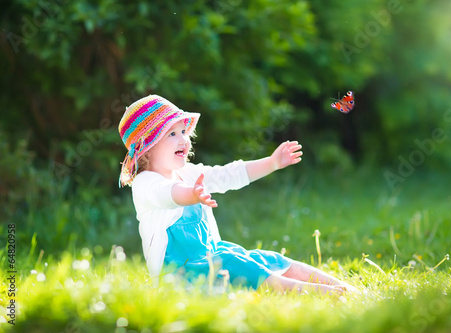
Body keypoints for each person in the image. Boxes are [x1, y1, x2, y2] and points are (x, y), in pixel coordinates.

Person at [118, 94, 357, 295]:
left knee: (265, 258)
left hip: (211, 257)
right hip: (179, 277)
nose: (184, 140)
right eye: (171, 134)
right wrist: (192, 194)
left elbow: (229, 174)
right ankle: (319, 294)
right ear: (146, 147)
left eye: (183, 132)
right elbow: (167, 194)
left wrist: (272, 163)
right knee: (234, 263)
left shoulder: (189, 174)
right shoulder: (145, 183)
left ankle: (345, 288)